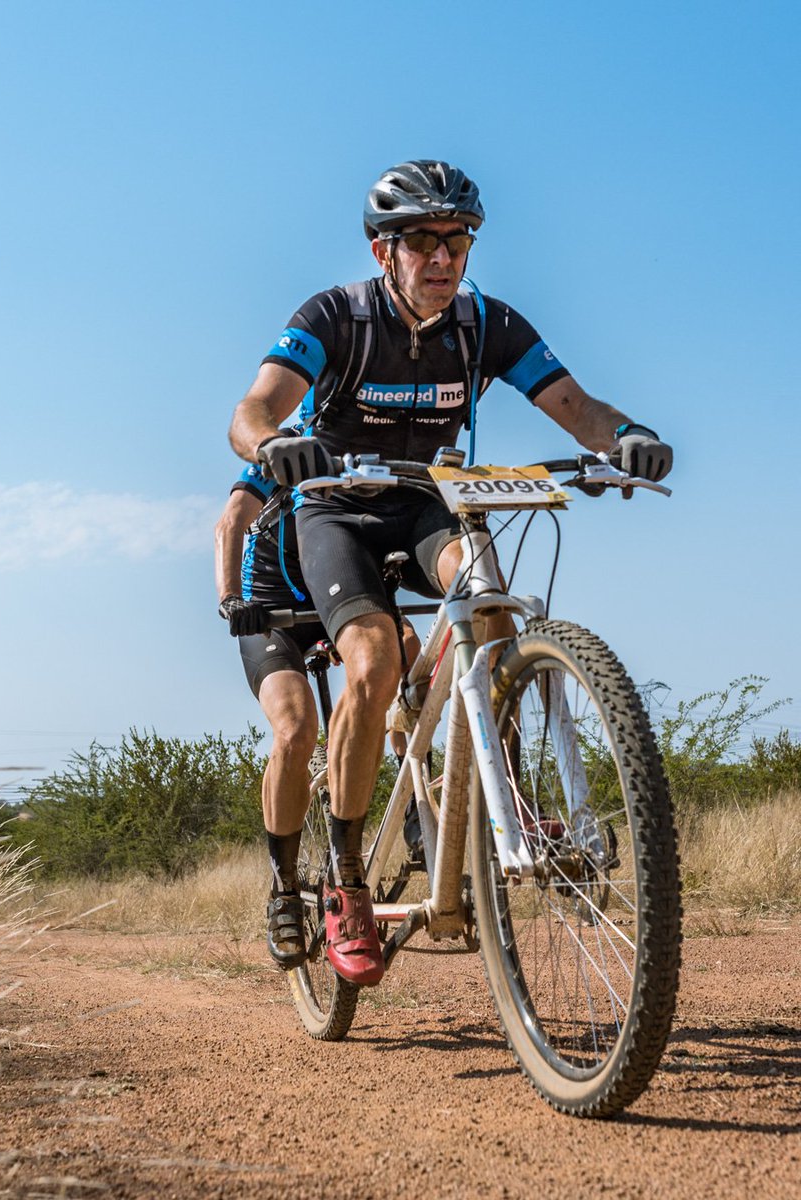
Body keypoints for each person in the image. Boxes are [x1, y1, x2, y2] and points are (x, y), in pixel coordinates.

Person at [228, 160, 672, 987]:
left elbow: (579, 410)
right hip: (339, 510)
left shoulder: (485, 324)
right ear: (382, 250)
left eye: (457, 240)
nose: (443, 257)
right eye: (423, 240)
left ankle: (488, 781)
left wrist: (629, 435)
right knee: (370, 657)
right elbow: (253, 412)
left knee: (493, 602)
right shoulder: (334, 315)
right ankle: (347, 881)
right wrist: (273, 443)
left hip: (430, 502)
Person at [214, 452, 419, 969]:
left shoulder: (365, 453)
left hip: (346, 601)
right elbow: (231, 522)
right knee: (296, 729)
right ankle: (284, 889)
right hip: (274, 615)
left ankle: (416, 792)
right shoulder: (290, 452)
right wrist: (231, 598)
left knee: (408, 652)